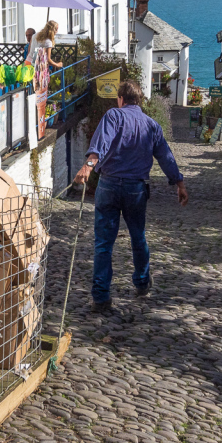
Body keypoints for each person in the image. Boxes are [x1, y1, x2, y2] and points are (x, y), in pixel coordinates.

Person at [73, 79, 188, 313]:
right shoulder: (152, 125)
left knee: (104, 243)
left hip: (108, 185)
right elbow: (165, 156)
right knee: (138, 237)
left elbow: (100, 145)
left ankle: (101, 297)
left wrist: (87, 167)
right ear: (140, 100)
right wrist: (179, 182)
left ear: (121, 99)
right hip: (136, 188)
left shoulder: (114, 116)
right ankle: (142, 282)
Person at [31, 20, 63, 95]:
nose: (57, 32)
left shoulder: (35, 36)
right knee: (41, 91)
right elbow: (48, 60)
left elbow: (31, 51)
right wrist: (58, 64)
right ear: (52, 30)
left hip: (31, 63)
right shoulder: (48, 42)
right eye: (56, 29)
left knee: (32, 89)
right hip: (40, 68)